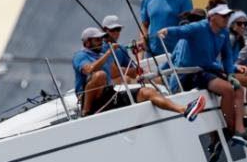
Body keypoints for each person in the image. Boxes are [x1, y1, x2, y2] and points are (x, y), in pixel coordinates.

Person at [157, 5, 247, 147]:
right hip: (189, 75)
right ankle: (231, 130)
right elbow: (182, 31)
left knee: (238, 88)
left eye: (228, 16)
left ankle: (239, 130)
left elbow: (227, 57)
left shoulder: (223, 33)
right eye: (224, 16)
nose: (227, 19)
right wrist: (166, 31)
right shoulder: (199, 27)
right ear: (213, 17)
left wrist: (231, 74)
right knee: (228, 89)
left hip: (204, 71)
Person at [74, 25, 205, 120]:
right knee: (100, 75)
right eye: (97, 40)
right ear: (87, 42)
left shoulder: (102, 52)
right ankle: (86, 113)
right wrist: (109, 53)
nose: (101, 42)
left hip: (109, 95)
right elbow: (89, 69)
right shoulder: (80, 56)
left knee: (147, 92)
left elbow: (117, 62)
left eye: (101, 39)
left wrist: (138, 46)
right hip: (90, 99)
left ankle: (184, 110)